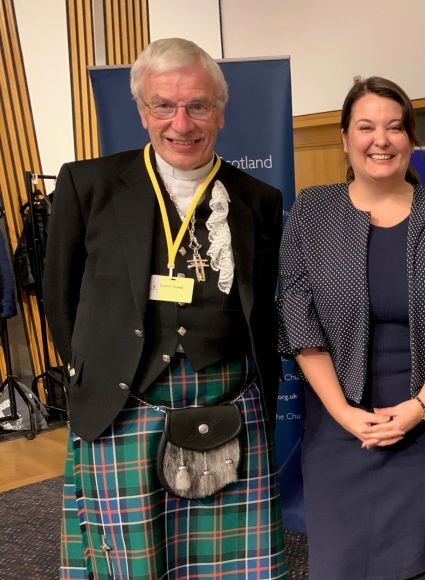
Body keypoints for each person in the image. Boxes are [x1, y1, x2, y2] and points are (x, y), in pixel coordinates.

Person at [45, 38, 286, 578]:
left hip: (228, 402)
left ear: (220, 112)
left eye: (198, 105)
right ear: (141, 111)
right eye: (164, 105)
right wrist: (97, 371)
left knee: (224, 565)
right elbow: (61, 296)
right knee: (133, 562)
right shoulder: (89, 185)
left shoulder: (258, 200)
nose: (182, 123)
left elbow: (265, 311)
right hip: (123, 403)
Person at [277, 76, 425, 580]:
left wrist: (418, 409)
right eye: (367, 126)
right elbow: (298, 322)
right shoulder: (314, 211)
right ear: (345, 138)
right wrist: (346, 415)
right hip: (335, 420)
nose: (382, 139)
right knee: (339, 562)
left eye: (395, 127)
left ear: (410, 138)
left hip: (421, 418)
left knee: (409, 561)